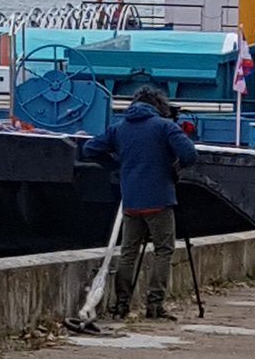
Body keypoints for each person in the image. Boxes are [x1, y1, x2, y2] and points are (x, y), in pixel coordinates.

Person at [82, 86, 199, 320]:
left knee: (128, 253)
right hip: (160, 200)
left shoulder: (119, 128)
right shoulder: (165, 127)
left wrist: (116, 167)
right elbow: (190, 155)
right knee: (163, 251)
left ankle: (122, 305)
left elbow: (89, 149)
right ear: (159, 107)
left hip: (131, 201)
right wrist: (174, 168)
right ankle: (154, 305)